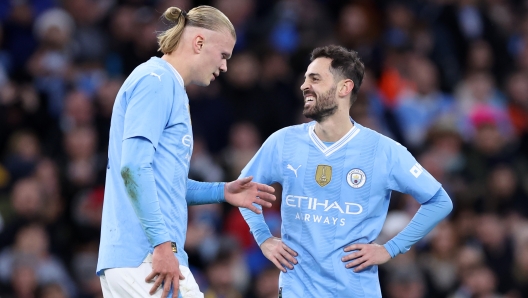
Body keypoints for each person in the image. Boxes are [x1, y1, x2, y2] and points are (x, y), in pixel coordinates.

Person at [239, 45, 453, 297]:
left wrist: (391, 248)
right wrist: (263, 237)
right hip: (297, 290)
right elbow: (242, 190)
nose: (304, 85)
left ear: (344, 87)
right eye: (306, 77)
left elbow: (439, 201)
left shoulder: (383, 150)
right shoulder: (283, 141)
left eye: (315, 78)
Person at [96, 6, 276, 298]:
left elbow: (164, 181)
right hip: (145, 258)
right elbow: (132, 167)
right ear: (199, 43)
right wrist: (161, 245)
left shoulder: (169, 87)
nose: (225, 66)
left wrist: (224, 191)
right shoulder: (156, 80)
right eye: (224, 55)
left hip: (144, 258)